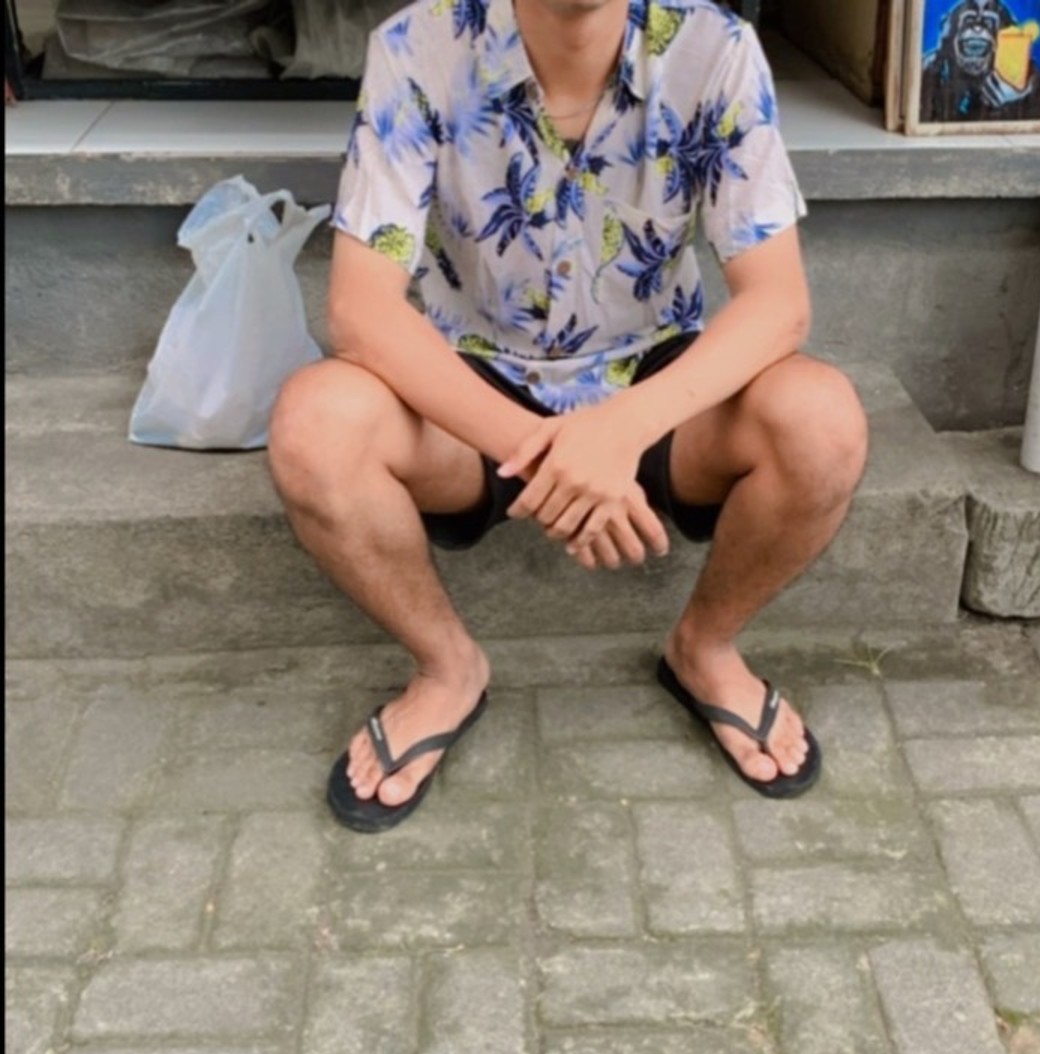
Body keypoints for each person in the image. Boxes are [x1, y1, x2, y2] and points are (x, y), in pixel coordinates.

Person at [270, 0, 868, 832]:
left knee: (822, 419)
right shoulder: (417, 46)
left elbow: (778, 304)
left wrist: (618, 432)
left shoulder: (714, 48)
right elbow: (361, 311)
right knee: (314, 425)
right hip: (474, 387)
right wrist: (554, 457)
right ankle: (447, 668)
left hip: (655, 382)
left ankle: (705, 647)